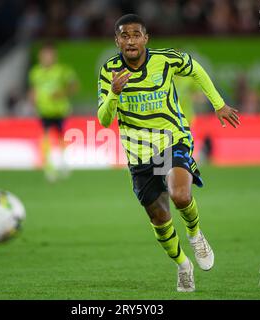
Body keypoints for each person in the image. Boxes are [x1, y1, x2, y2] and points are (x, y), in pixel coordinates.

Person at [97, 14, 240, 292]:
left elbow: (195, 68)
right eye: (124, 36)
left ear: (145, 38)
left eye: (136, 34)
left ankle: (196, 235)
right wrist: (114, 93)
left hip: (171, 140)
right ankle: (183, 265)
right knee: (160, 219)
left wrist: (219, 103)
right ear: (117, 41)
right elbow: (103, 119)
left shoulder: (165, 59)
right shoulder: (109, 72)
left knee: (180, 195)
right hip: (139, 154)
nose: (130, 40)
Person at [29, 42, 79, 181]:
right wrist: (32, 99)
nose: (46, 58)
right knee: (45, 137)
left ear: (54, 57)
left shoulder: (63, 70)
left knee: (60, 136)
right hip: (44, 110)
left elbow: (74, 86)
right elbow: (34, 89)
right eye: (44, 56)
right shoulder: (35, 72)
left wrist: (62, 93)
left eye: (49, 55)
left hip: (59, 109)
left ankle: (63, 163)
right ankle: (49, 167)